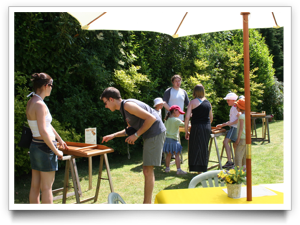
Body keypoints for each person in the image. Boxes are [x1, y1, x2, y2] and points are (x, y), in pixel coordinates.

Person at [100, 87, 166, 204]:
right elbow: (130, 130)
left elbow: (152, 118)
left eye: (105, 103)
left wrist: (136, 135)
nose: (105, 106)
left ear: (111, 99)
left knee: (147, 170)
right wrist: (113, 135)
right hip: (150, 134)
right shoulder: (123, 109)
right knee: (147, 169)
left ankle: (146, 204)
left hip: (155, 132)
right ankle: (147, 203)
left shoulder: (127, 105)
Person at [26, 73, 68, 204]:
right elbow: (44, 132)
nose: (52, 88)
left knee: (35, 186)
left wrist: (59, 139)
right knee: (47, 188)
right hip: (45, 148)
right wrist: (57, 151)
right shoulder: (40, 104)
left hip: (35, 146)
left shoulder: (32, 101)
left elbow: (47, 124)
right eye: (51, 85)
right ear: (45, 86)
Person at [185, 84, 213, 173]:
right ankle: (203, 169)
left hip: (197, 127)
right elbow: (211, 118)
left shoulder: (192, 102)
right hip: (206, 126)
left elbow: (187, 117)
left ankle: (198, 170)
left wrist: (186, 131)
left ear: (195, 92)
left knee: (195, 147)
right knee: (204, 148)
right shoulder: (208, 103)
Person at [216, 92, 239, 169]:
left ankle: (230, 162)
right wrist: (222, 125)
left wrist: (230, 124)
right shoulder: (233, 107)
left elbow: (238, 120)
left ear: (233, 100)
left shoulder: (235, 107)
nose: (227, 102)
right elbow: (232, 120)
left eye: (228, 100)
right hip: (234, 127)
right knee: (235, 145)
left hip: (234, 128)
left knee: (226, 142)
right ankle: (236, 162)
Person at [163, 105, 187, 175]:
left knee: (168, 155)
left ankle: (167, 169)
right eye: (179, 112)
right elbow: (186, 125)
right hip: (174, 140)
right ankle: (179, 170)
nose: (179, 114)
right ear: (174, 111)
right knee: (177, 155)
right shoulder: (176, 120)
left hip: (167, 140)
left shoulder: (167, 119)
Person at [233, 98, 246, 169]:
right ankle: (244, 170)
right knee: (244, 155)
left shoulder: (241, 116)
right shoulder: (246, 115)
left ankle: (238, 171)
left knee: (238, 155)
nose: (236, 108)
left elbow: (241, 128)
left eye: (237, 107)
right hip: (246, 138)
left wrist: (238, 139)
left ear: (240, 107)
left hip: (242, 138)